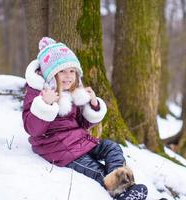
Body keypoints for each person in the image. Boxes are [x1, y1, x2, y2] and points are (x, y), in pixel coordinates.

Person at [22, 37, 148, 200]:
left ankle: (127, 189)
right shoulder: (39, 93)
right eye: (62, 71)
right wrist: (45, 105)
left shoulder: (72, 93)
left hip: (82, 142)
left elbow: (82, 123)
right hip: (58, 149)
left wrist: (93, 104)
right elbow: (32, 129)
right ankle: (122, 193)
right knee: (97, 171)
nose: (68, 76)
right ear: (50, 73)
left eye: (72, 71)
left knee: (112, 148)